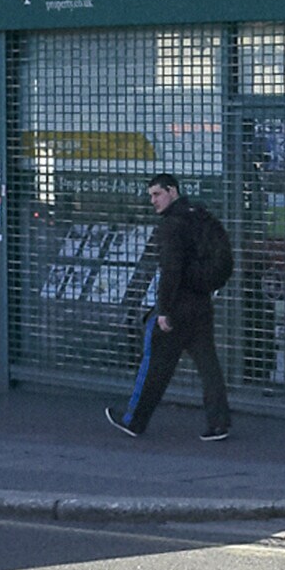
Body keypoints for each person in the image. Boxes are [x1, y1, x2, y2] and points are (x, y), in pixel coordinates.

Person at [106, 174, 232, 441]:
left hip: (178, 305)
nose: (152, 201)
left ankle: (133, 420)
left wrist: (163, 310)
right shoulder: (200, 215)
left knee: (154, 364)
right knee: (208, 365)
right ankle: (219, 423)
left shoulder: (171, 226)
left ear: (171, 191)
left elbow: (170, 270)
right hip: (201, 303)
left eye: (156, 194)